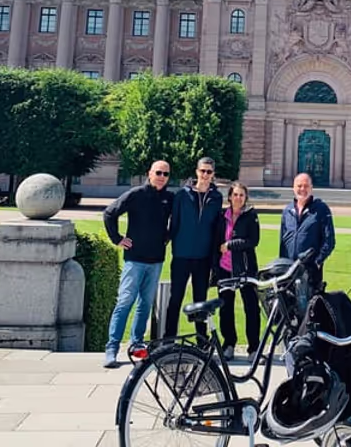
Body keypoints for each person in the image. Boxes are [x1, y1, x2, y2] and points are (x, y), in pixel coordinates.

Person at [101, 159, 175, 368]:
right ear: (149, 173)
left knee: (145, 304)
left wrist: (167, 236)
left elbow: (177, 221)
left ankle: (137, 344)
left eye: (166, 174)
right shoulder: (136, 194)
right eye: (158, 173)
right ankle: (112, 348)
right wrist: (117, 239)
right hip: (134, 260)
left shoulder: (169, 198)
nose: (161, 177)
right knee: (125, 302)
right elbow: (109, 213)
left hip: (156, 260)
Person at [164, 156, 224, 339]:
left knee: (201, 300)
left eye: (209, 172)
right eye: (202, 171)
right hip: (181, 255)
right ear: (197, 172)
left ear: (213, 174)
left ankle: (201, 339)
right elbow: (174, 224)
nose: (205, 175)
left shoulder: (217, 198)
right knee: (175, 298)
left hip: (203, 257)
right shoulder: (182, 195)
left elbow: (216, 228)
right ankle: (169, 338)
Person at [213, 182, 261, 362]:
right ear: (230, 197)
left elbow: (253, 240)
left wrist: (230, 245)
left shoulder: (251, 216)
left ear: (246, 197)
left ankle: (254, 348)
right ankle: (229, 344)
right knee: (226, 309)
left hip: (245, 269)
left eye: (241, 195)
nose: (238, 198)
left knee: (251, 309)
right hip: (225, 269)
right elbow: (216, 242)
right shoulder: (222, 216)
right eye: (235, 194)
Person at [279, 173, 336, 291]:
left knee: (310, 301)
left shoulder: (321, 209)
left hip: (310, 271)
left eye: (306, 186)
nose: (302, 189)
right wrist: (282, 264)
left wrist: (318, 261)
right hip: (289, 269)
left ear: (311, 188)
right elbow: (283, 241)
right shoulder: (287, 211)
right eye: (299, 186)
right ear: (293, 188)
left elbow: (329, 240)